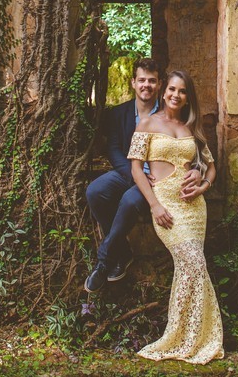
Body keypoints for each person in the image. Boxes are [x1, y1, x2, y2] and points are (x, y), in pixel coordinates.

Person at [127, 70, 224, 364]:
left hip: (194, 208)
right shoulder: (147, 123)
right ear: (164, 91)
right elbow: (135, 169)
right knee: (194, 262)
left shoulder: (190, 127)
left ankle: (190, 338)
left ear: (187, 97)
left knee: (190, 267)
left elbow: (210, 166)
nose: (175, 95)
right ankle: (183, 336)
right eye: (171, 89)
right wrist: (155, 205)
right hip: (166, 206)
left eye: (182, 91)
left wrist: (203, 184)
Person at [84, 59, 201, 292]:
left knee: (130, 200)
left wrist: (198, 171)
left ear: (159, 85)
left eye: (152, 81)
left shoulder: (168, 111)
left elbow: (193, 148)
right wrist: (133, 175)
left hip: (158, 179)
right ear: (133, 83)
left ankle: (104, 261)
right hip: (129, 171)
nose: (146, 85)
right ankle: (122, 251)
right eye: (142, 80)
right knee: (95, 191)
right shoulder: (119, 113)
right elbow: (115, 149)